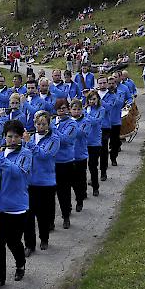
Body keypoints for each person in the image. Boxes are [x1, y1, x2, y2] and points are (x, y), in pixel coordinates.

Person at [0, 120, 31, 289]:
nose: (12, 140)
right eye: (9, 137)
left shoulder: (26, 154)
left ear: (21, 137)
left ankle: (20, 264)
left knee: (13, 242)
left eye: (15, 137)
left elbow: (18, 174)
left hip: (16, 207)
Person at [23, 111, 60, 255]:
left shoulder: (54, 139)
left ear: (48, 124)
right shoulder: (31, 137)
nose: (40, 126)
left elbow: (45, 155)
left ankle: (44, 238)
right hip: (30, 182)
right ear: (34, 124)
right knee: (28, 215)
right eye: (38, 124)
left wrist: (29, 143)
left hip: (46, 182)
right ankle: (29, 244)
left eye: (44, 124)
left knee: (43, 214)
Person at [52, 98, 77, 229]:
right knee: (51, 193)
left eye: (64, 108)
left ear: (68, 109)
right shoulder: (53, 122)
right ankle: (50, 221)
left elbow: (65, 139)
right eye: (59, 108)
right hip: (52, 162)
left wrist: (52, 130)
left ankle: (66, 216)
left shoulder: (72, 124)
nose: (61, 110)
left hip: (65, 161)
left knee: (64, 191)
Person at [70, 99, 91, 212]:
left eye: (79, 109)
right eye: (74, 109)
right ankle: (79, 194)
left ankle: (81, 196)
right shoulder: (68, 121)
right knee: (73, 179)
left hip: (81, 154)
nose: (76, 112)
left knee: (81, 177)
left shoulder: (86, 121)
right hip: (70, 155)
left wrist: (71, 127)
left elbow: (80, 133)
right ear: (70, 110)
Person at [84, 91, 106, 196]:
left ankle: (95, 187)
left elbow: (95, 122)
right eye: (90, 99)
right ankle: (82, 190)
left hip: (95, 142)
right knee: (82, 167)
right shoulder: (85, 110)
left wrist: (86, 114)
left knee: (92, 165)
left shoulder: (101, 110)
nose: (92, 101)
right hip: (84, 142)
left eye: (94, 99)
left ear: (97, 99)